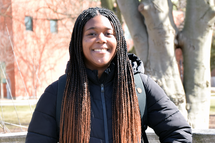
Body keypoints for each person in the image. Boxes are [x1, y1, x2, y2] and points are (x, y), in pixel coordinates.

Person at [26, 7, 192, 143]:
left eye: (108, 33)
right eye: (91, 33)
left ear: (118, 40)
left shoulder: (140, 87)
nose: (100, 39)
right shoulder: (57, 93)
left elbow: (178, 132)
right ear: (79, 41)